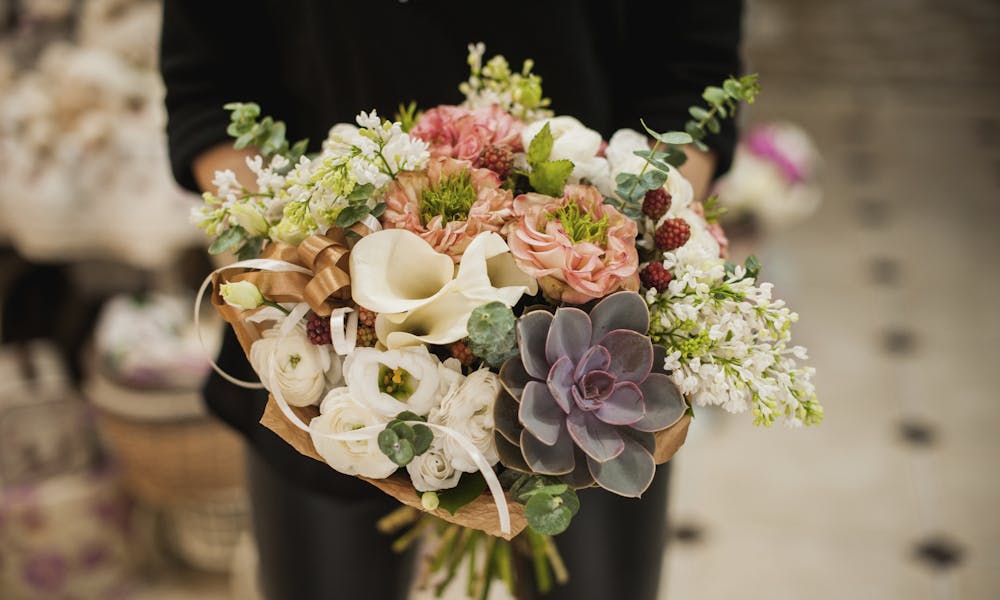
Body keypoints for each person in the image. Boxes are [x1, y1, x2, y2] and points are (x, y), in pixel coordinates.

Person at [161, 2, 742, 598]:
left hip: (591, 376)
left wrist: (627, 255)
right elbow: (209, 82)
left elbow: (690, 69)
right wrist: (298, 285)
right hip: (330, 341)